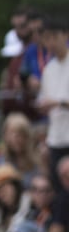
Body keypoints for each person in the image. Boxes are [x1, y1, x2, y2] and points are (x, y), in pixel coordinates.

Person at [35, 16, 69, 193]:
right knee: (59, 190)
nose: (50, 42)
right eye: (46, 38)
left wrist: (59, 103)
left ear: (65, 35)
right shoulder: (48, 69)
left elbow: (56, 102)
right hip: (56, 138)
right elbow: (44, 102)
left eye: (54, 36)